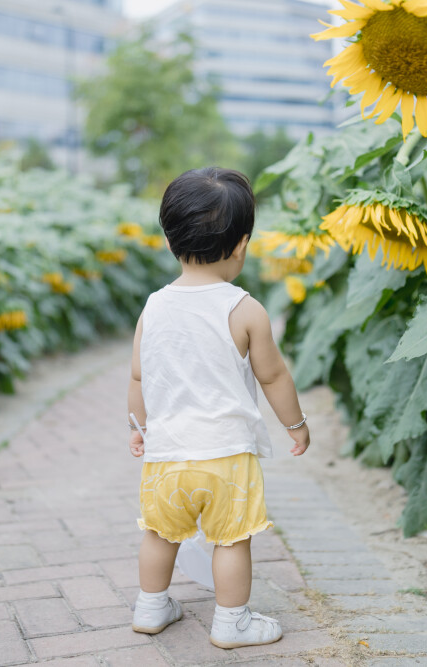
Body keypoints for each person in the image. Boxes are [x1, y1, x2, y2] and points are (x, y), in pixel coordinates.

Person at [126, 166, 311, 649]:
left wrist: (139, 427)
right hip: (226, 455)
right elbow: (273, 375)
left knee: (159, 535)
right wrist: (296, 425)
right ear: (242, 243)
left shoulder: (154, 306)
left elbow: (139, 375)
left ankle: (150, 606)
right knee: (232, 539)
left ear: (169, 240)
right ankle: (231, 622)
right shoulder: (244, 308)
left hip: (167, 456)